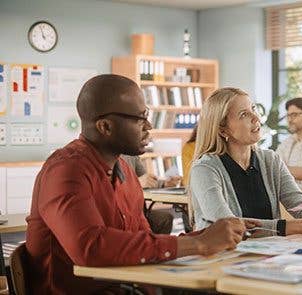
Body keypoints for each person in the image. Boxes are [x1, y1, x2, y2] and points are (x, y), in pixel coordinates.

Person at [25, 74, 246, 294]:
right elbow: (90, 248)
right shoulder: (66, 170)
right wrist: (199, 244)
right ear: (105, 126)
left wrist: (205, 237)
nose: (148, 125)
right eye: (140, 118)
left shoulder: (126, 172)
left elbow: (144, 242)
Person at [189, 87, 302, 236]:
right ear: (223, 130)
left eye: (253, 109)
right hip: (221, 258)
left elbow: (300, 206)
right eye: (243, 114)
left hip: (267, 256)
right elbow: (228, 225)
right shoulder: (205, 168)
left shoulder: (271, 160)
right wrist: (297, 226)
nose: (256, 117)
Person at [121, 155, 179, 234]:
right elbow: (111, 187)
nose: (146, 142)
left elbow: (145, 180)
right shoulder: (107, 156)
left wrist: (164, 183)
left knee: (165, 219)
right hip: (123, 213)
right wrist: (137, 182)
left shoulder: (131, 154)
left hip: (139, 211)